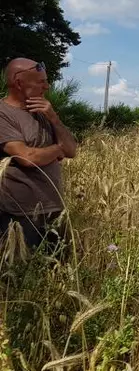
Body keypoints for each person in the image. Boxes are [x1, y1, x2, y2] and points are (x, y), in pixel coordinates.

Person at [0, 58, 77, 251]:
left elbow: (72, 150)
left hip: (54, 208)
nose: (47, 86)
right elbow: (27, 157)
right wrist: (58, 149)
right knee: (24, 273)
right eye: (40, 81)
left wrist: (54, 118)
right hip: (19, 214)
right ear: (19, 83)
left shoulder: (43, 112)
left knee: (58, 271)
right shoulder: (3, 114)